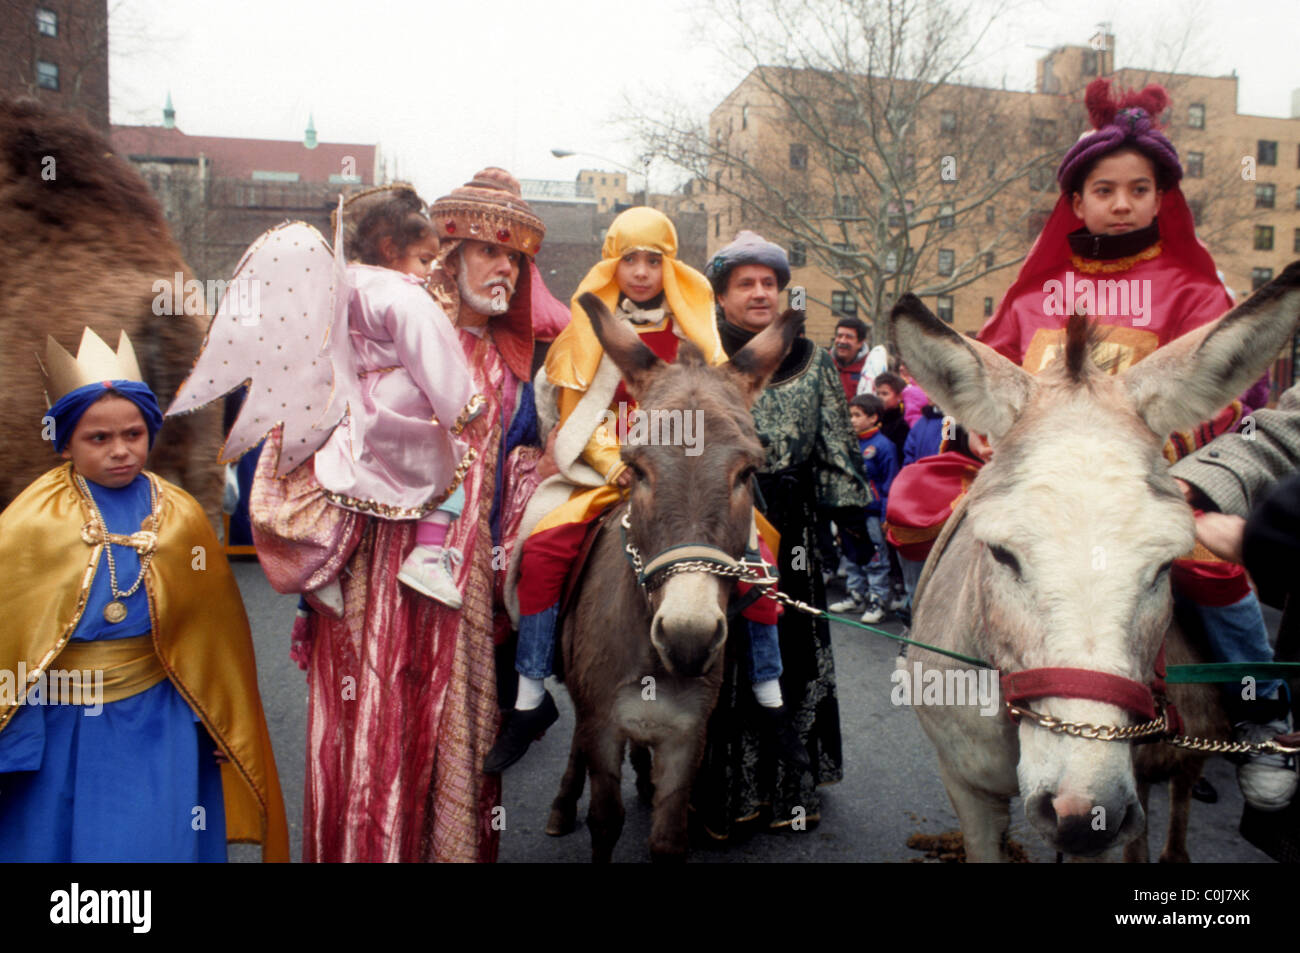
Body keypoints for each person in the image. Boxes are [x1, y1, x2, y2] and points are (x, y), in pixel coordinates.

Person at [977, 77, 1288, 811]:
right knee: (950, 525)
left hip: (1154, 476)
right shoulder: (1034, 294)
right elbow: (990, 367)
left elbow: (1227, 394)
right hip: (1044, 484)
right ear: (1075, 203)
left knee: (1211, 566)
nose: (1122, 203)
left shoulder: (1194, 292)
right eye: (1104, 189)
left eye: (1139, 189)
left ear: (1161, 198)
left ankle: (1264, 715)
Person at [249, 168, 553, 861]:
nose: (505, 268)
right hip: (371, 580)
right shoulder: (381, 331)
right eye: (489, 251)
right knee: (371, 744)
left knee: (453, 747)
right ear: (447, 255)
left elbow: (518, 478)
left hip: (463, 590)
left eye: (516, 259)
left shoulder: (516, 375)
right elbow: (304, 434)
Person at [491, 213, 805, 773]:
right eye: (629, 259)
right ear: (614, 263)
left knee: (757, 555)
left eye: (653, 260)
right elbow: (572, 422)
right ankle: (531, 693)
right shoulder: (581, 335)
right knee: (542, 550)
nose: (641, 272)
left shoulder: (695, 333)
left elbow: (711, 414)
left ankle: (769, 693)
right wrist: (617, 464)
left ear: (670, 266)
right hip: (601, 472)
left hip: (681, 478)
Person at [0, 329, 288, 861]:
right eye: (98, 438)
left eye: (133, 434)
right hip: (62, 721)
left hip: (156, 719)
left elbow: (213, 634)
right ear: (64, 441)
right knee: (56, 842)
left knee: (148, 842)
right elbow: (11, 634)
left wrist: (211, 720)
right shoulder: (29, 521)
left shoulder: (178, 516)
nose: (120, 451)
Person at [692, 231, 871, 839]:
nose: (761, 293)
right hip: (725, 523)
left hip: (791, 529)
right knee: (725, 656)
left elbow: (834, 445)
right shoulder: (701, 354)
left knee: (789, 655)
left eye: (770, 282)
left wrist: (850, 518)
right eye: (745, 283)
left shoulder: (814, 359)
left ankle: (790, 790)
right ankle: (723, 792)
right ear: (720, 297)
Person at [307, 185, 481, 610]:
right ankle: (427, 554)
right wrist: (462, 409)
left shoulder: (338, 287)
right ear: (389, 249)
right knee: (452, 464)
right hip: (397, 405)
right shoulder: (404, 296)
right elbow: (433, 358)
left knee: (346, 485)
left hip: (350, 404)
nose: (428, 271)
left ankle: (322, 567)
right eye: (425, 260)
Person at [830, 393, 899, 623]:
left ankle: (877, 600)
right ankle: (856, 595)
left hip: (872, 511)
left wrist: (885, 513)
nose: (852, 420)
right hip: (850, 511)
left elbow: (890, 483)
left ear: (874, 417)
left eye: (858, 415)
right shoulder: (848, 443)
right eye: (850, 415)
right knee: (851, 553)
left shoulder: (883, 446)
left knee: (875, 557)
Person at [830, 315, 870, 401]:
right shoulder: (822, 363)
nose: (842, 341)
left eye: (849, 337)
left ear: (860, 343)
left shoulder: (869, 368)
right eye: (839, 336)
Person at [873, 371, 911, 460]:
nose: (880, 397)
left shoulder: (902, 425)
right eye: (878, 393)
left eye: (885, 394)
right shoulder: (874, 420)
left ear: (899, 396)